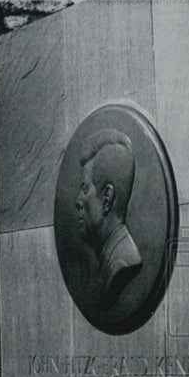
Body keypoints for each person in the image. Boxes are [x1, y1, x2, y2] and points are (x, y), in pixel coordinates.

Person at [75, 129, 143, 306]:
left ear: (106, 199)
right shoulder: (107, 262)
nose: (78, 201)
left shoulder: (123, 264)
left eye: (85, 189)